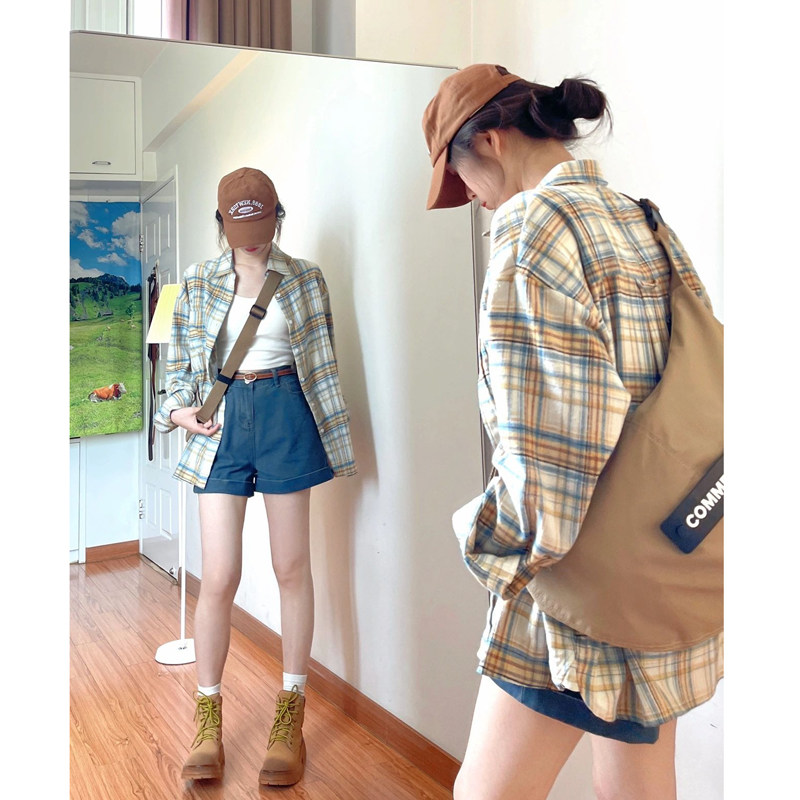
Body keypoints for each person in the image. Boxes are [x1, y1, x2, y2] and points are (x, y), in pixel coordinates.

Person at [422, 64, 723, 800]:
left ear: (490, 140)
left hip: (579, 584)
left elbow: (550, 470)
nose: (473, 199)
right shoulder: (638, 217)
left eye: (463, 179)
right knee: (637, 783)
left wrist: (487, 548)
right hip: (669, 558)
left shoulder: (534, 234)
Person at [153, 167, 356, 787]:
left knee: (292, 568)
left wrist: (336, 433)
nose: (253, 239)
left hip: (286, 412)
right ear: (221, 224)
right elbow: (178, 372)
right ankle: (207, 720)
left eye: (263, 225)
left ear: (277, 216)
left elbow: (322, 366)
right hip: (221, 423)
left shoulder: (305, 278)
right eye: (240, 227)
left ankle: (290, 716)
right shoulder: (194, 283)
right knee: (219, 574)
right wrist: (179, 413)